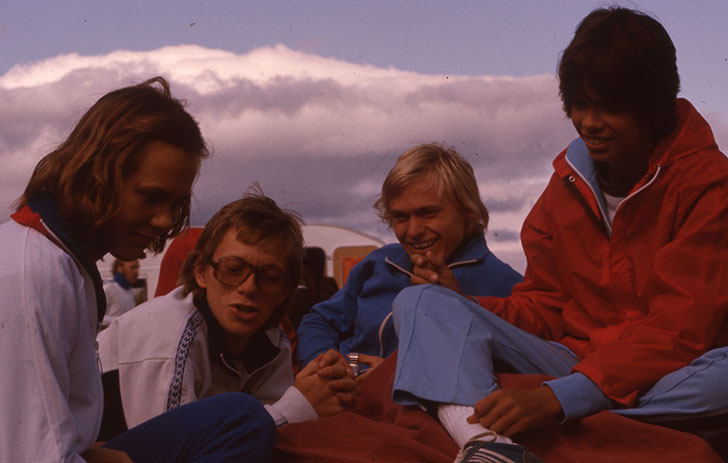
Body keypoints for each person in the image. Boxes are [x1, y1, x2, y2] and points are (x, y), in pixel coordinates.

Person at [390, 7, 728, 463]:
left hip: (671, 372)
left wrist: (557, 398)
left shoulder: (710, 185)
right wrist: (463, 304)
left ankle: (517, 411)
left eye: (609, 106)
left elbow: (679, 331)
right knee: (421, 302)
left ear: (652, 106)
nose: (589, 122)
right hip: (571, 363)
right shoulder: (565, 185)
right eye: (579, 104)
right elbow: (543, 306)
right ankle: (488, 444)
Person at [0, 77, 275, 462]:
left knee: (237, 420)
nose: (165, 220)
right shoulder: (35, 272)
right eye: (150, 197)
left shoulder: (63, 261)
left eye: (175, 204)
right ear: (96, 176)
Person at [97, 193, 356, 433]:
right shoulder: (170, 331)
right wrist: (300, 407)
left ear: (285, 290)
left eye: (270, 277)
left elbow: (263, 438)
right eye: (232, 269)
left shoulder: (272, 343)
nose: (249, 287)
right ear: (201, 271)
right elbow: (172, 449)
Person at [297, 143, 522, 370]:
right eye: (401, 217)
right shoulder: (379, 264)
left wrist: (389, 377)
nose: (413, 232)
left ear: (467, 211)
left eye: (428, 213)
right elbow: (319, 321)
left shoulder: (506, 286)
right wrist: (329, 365)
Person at [101, 259, 141, 329]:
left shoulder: (130, 291)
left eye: (137, 267)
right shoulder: (108, 287)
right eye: (132, 267)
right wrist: (119, 321)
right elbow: (97, 316)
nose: (136, 271)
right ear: (120, 269)